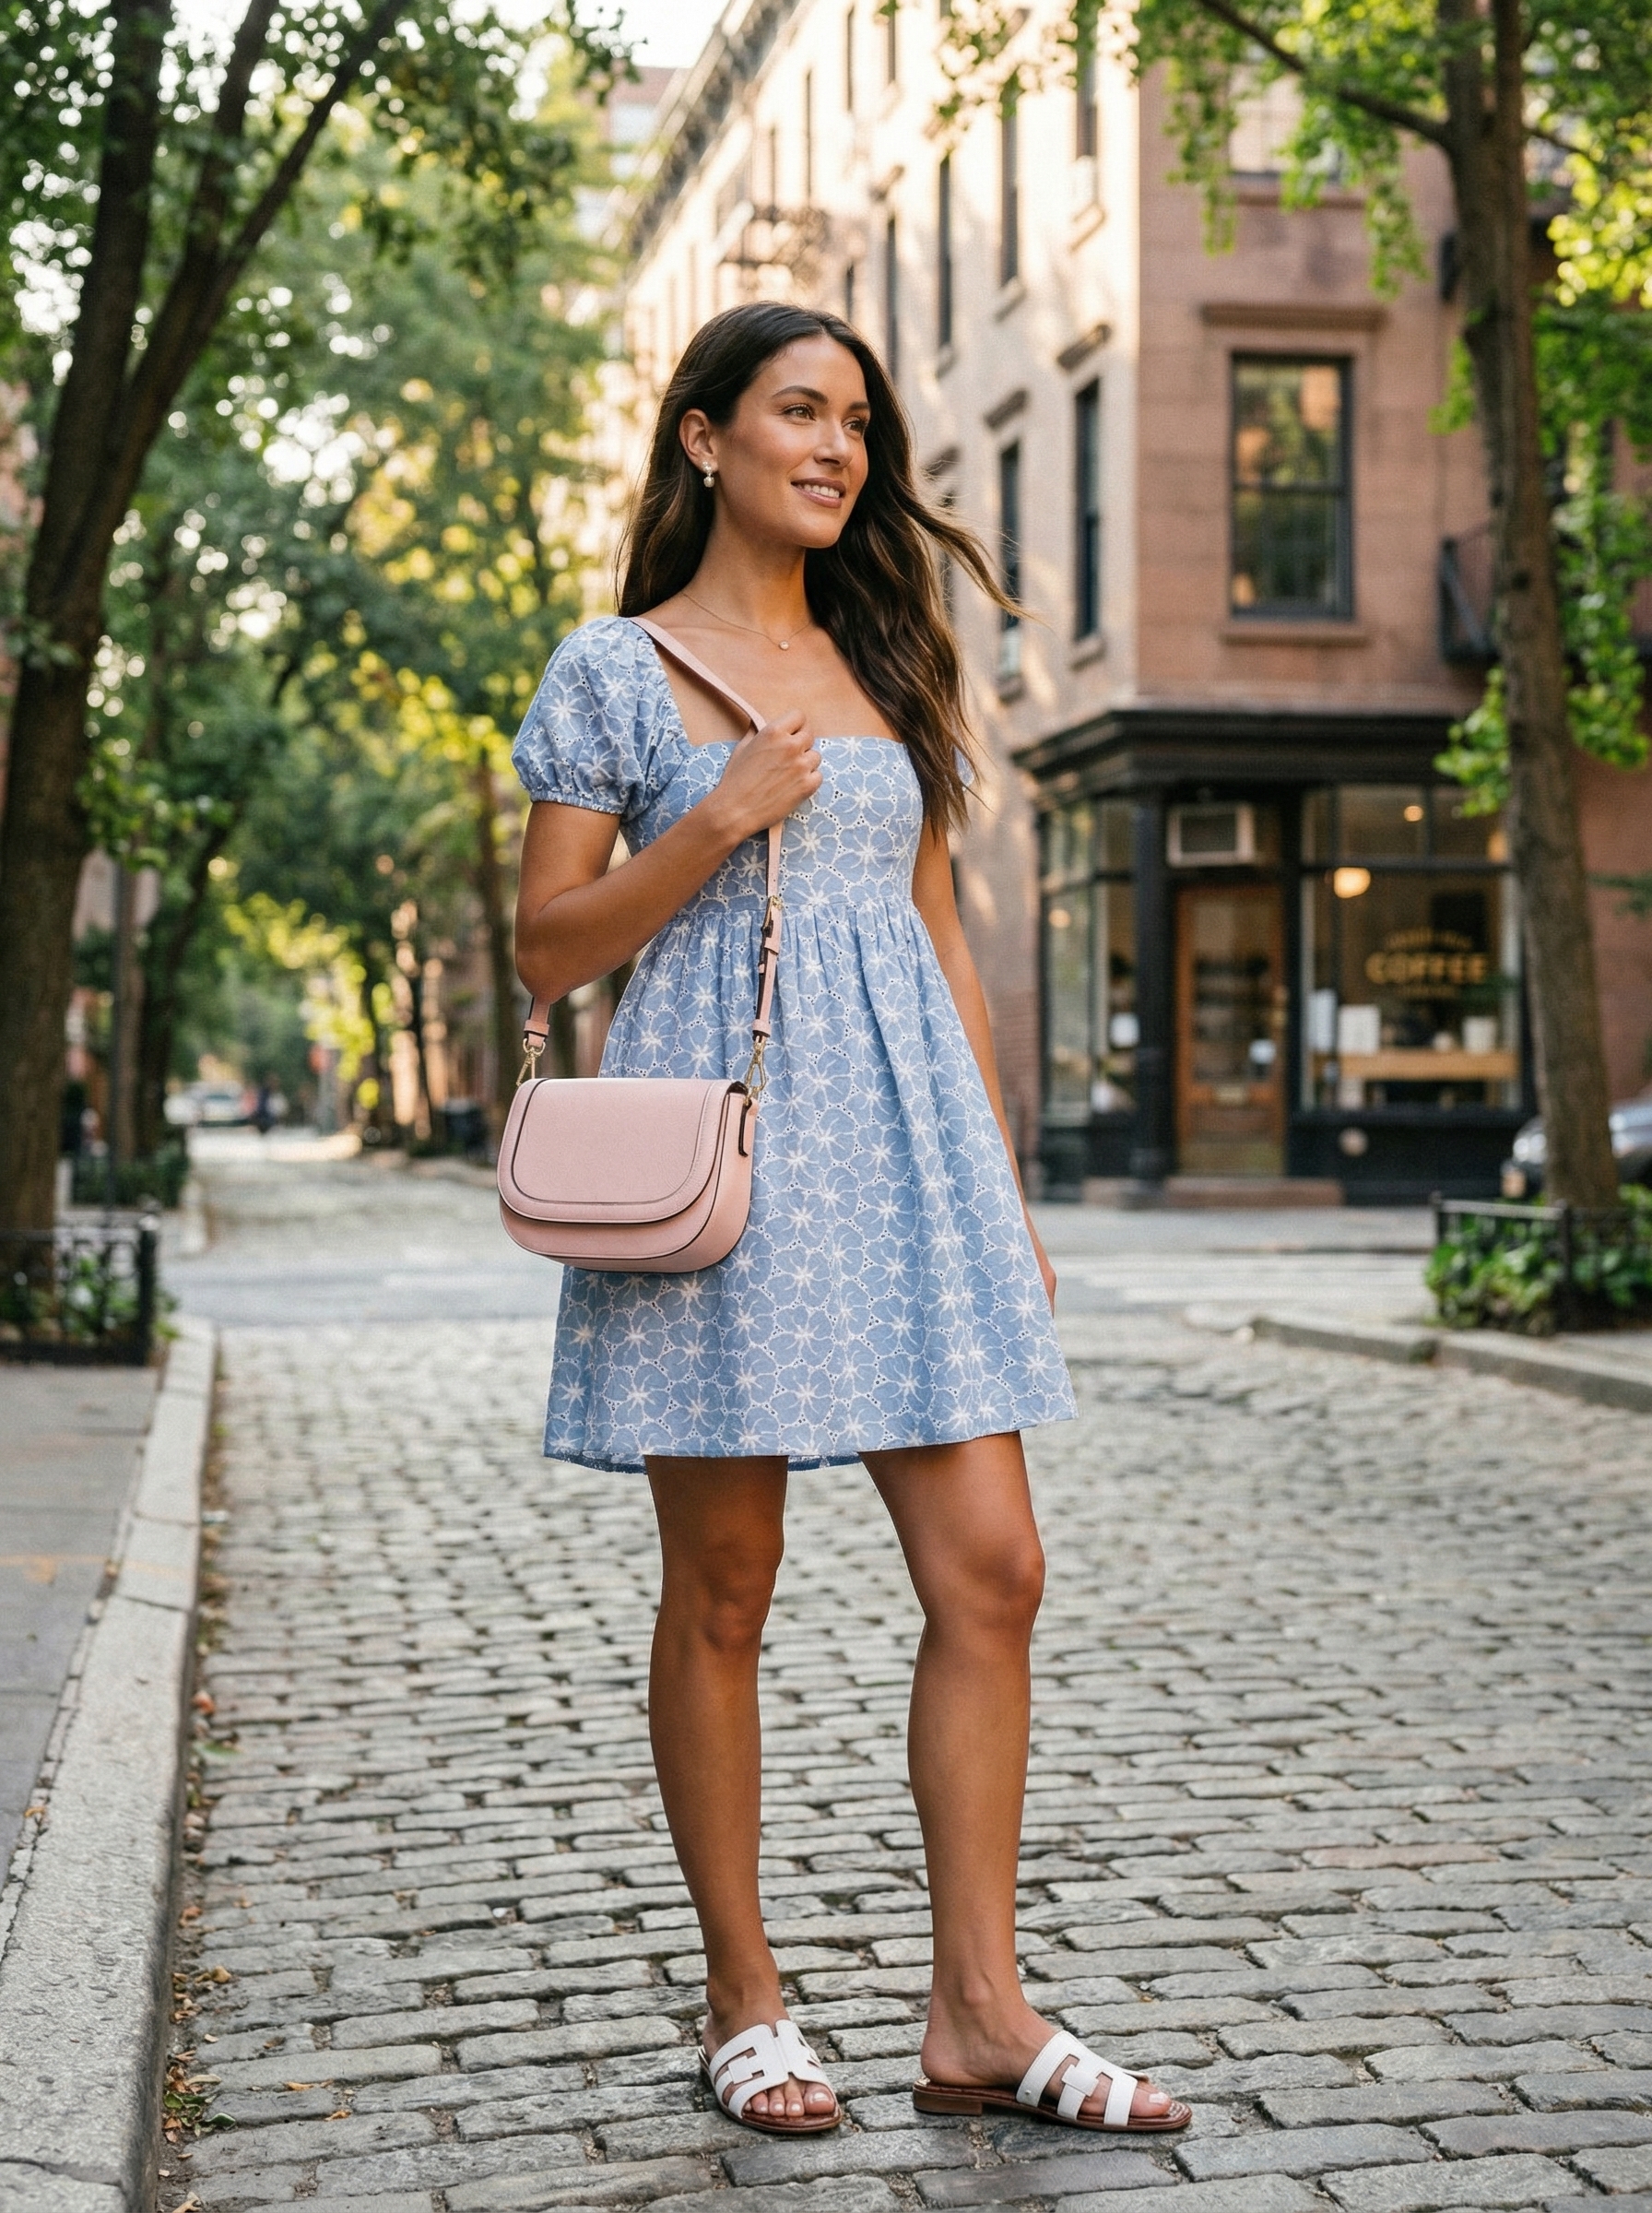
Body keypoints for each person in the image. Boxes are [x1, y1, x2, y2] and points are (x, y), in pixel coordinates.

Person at [512, 302, 1190, 2143]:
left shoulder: (890, 660)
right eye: (798, 412)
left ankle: (977, 2010)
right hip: (718, 1169)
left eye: (857, 425)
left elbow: (935, 934)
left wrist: (998, 1185)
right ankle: (747, 1997)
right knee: (723, 1590)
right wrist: (711, 822)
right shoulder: (612, 669)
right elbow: (549, 945)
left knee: (993, 1571)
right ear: (704, 439)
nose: (836, 447)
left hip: (907, 1163)